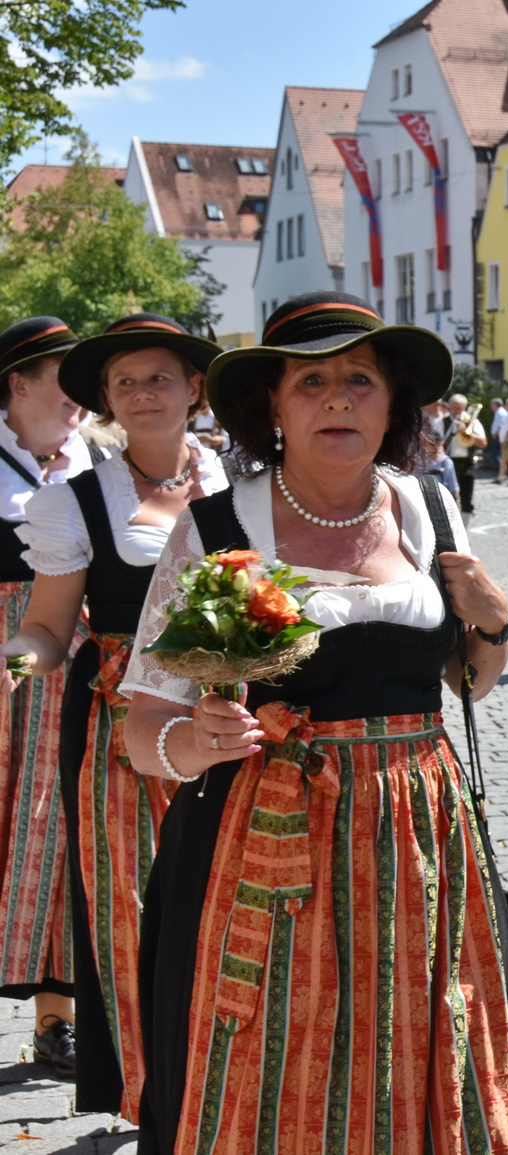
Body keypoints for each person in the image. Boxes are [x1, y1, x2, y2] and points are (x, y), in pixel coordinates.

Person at [121, 292, 508, 1153]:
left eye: (360, 380)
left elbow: (466, 683)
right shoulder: (218, 527)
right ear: (273, 404)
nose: (338, 398)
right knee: (271, 1048)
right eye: (311, 382)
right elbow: (144, 720)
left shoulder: (431, 512)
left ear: (393, 402)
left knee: (414, 1030)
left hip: (416, 835)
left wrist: (494, 624)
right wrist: (192, 742)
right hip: (264, 841)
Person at [0, 315, 225, 1117]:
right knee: (130, 907)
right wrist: (16, 660)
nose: (142, 393)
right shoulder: (75, 502)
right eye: (124, 383)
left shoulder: (244, 482)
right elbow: (49, 628)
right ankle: (150, 1084)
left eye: (159, 377)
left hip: (229, 720)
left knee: (225, 897)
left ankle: (224, 1074)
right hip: (116, 728)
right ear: (106, 401)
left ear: (195, 388)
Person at [0, 317, 90, 1077]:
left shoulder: (95, 462)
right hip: (6, 675)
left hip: (68, 675)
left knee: (59, 831)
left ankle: (56, 1020)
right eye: (65, 378)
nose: (81, 398)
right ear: (18, 384)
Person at [446, 391, 484, 514]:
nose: (457, 411)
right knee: (448, 498)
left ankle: (465, 525)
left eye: (460, 408)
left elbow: (483, 443)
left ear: (465, 408)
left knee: (467, 496)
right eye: (454, 408)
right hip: (448, 462)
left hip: (467, 462)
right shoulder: (442, 422)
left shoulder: (473, 422)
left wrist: (467, 432)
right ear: (449, 407)